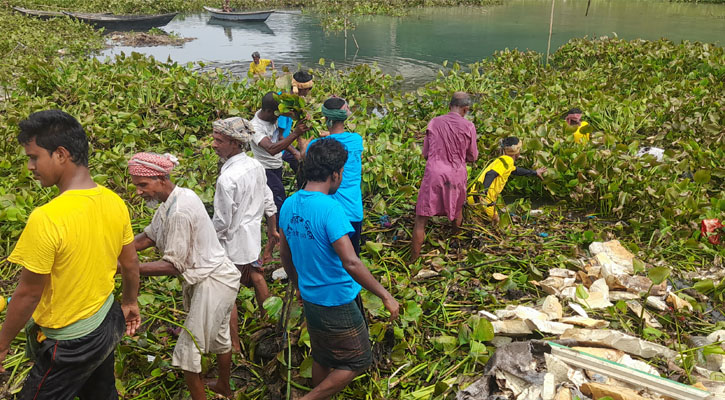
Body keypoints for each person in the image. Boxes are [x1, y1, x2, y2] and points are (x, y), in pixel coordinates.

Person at [0, 110, 140, 399]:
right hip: (106, 320)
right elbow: (130, 264)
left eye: (34, 157)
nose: (30, 166)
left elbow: (27, 294)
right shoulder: (114, 202)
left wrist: (2, 345)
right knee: (100, 393)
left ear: (61, 154)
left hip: (71, 343)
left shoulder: (47, 218)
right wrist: (130, 302)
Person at [279, 138, 399, 400]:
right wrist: (385, 295)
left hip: (310, 296)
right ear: (334, 174)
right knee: (358, 360)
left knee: (323, 355)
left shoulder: (289, 204)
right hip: (337, 299)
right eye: (342, 172)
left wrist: (299, 284)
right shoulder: (331, 209)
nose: (342, 177)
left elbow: (284, 255)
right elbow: (351, 262)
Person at [128, 152, 241, 400]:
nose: (138, 192)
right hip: (216, 275)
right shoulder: (177, 198)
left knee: (188, 351)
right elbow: (148, 237)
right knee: (221, 337)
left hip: (214, 281)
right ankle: (223, 387)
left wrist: (125, 268)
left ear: (160, 178)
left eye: (142, 185)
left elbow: (174, 266)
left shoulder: (179, 211)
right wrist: (116, 251)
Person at [210, 117, 278, 352]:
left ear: (234, 143)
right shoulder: (255, 165)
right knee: (257, 275)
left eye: (219, 140)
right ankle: (270, 322)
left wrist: (207, 243)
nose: (214, 144)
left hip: (231, 245)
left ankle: (235, 346)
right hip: (251, 240)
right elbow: (268, 197)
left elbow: (222, 221)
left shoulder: (227, 178)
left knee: (227, 295)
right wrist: (272, 229)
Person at [410, 92, 478, 263]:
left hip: (434, 173)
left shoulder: (434, 122)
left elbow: (425, 153)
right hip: (456, 174)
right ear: (465, 109)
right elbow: (473, 156)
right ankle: (454, 242)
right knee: (457, 209)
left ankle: (412, 261)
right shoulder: (469, 126)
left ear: (449, 106)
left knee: (421, 219)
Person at [251, 92, 310, 260]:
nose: (279, 117)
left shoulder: (273, 118)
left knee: (274, 199)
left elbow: (283, 134)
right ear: (269, 111)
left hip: (276, 165)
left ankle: (275, 231)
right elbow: (272, 149)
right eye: (277, 113)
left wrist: (302, 116)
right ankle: (276, 238)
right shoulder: (255, 127)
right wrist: (296, 133)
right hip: (265, 169)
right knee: (278, 201)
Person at [305, 96, 364, 255]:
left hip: (326, 212)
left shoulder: (315, 145)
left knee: (328, 256)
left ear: (326, 119)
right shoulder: (357, 140)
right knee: (352, 257)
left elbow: (304, 160)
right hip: (353, 210)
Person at [467, 137, 547, 224]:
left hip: (474, 197)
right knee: (496, 222)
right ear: (517, 151)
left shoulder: (503, 160)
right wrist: (483, 193)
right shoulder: (507, 160)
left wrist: (535, 172)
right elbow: (490, 174)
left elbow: (515, 170)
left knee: (479, 221)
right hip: (483, 199)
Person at [280, 70, 315, 173]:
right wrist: (295, 153)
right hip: (277, 148)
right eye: (309, 89)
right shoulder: (285, 104)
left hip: (285, 142)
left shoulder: (293, 99)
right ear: (302, 90)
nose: (309, 92)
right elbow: (279, 136)